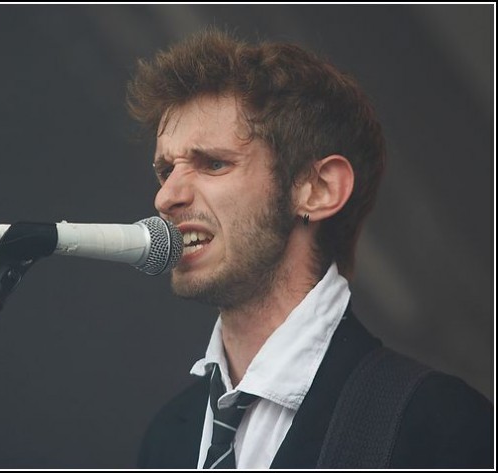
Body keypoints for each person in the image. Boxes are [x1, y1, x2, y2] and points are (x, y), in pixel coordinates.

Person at [126, 28, 493, 469]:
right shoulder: (167, 436)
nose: (166, 197)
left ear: (318, 190)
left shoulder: (438, 424)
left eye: (214, 163)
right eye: (166, 169)